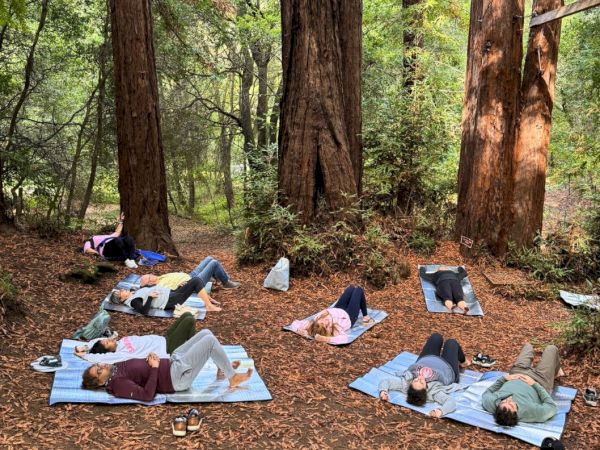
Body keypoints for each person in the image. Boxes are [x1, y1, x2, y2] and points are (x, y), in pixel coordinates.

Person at [81, 329, 253, 402]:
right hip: (175, 378)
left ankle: (222, 366)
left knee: (206, 333)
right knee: (209, 341)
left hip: (172, 362)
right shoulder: (117, 384)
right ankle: (233, 377)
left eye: (99, 365)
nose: (102, 365)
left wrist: (149, 359)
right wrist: (155, 367)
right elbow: (147, 395)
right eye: (99, 370)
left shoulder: (113, 367)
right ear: (99, 382)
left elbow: (137, 369)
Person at [378, 333, 470, 417]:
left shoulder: (405, 384)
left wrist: (383, 391)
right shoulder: (434, 392)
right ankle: (463, 361)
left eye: (415, 380)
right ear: (426, 388)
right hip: (448, 367)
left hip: (427, 358)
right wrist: (440, 411)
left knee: (436, 337)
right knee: (451, 343)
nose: (419, 378)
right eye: (421, 382)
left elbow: (386, 381)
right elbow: (451, 402)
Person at [482, 343, 562, 426]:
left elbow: (487, 392)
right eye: (512, 405)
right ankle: (556, 370)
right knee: (551, 348)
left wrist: (504, 379)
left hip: (518, 372)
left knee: (528, 346)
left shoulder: (491, 404)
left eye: (504, 402)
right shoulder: (531, 413)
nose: (509, 400)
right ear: (516, 414)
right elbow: (552, 407)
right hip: (540, 379)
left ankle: (531, 366)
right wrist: (534, 384)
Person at [74, 312, 197, 364]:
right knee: (190, 320)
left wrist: (85, 347)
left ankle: (191, 347)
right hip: (167, 348)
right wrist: (85, 356)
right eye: (107, 343)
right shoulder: (121, 354)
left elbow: (96, 342)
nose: (110, 339)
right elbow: (102, 358)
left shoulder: (120, 342)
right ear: (109, 351)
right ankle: (193, 349)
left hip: (164, 339)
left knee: (186, 315)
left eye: (106, 339)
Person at [289, 285, 373, 345]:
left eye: (321, 321)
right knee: (358, 290)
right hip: (348, 316)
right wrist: (326, 339)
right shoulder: (335, 329)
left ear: (316, 322)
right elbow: (344, 339)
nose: (325, 321)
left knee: (351, 288)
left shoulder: (311, 324)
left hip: (337, 309)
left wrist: (299, 330)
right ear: (328, 329)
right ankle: (366, 317)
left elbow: (295, 323)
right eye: (327, 325)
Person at [111, 277, 221, 314]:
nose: (122, 289)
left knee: (192, 281)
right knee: (196, 281)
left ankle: (208, 302)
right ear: (122, 299)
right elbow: (144, 311)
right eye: (121, 292)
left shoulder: (133, 293)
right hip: (170, 301)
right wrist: (150, 297)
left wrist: (178, 288)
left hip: (171, 295)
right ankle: (208, 305)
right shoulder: (134, 301)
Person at [139, 256, 241, 291]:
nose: (151, 275)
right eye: (149, 277)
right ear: (150, 283)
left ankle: (216, 276)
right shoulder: (161, 286)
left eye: (149, 274)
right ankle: (226, 282)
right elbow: (173, 290)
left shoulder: (160, 277)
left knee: (209, 258)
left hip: (191, 274)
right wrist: (179, 285)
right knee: (214, 263)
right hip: (193, 282)